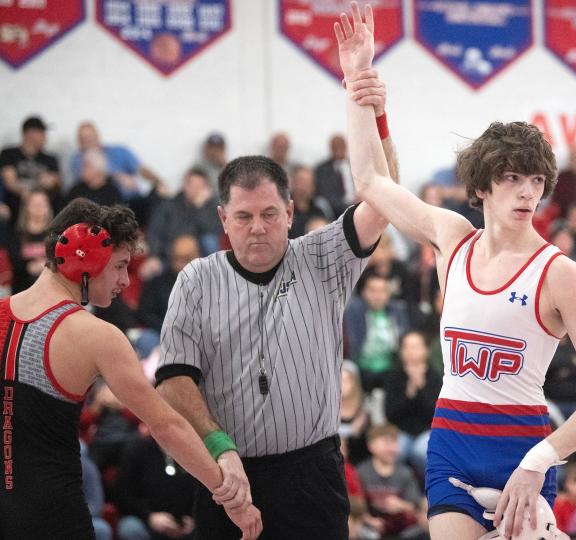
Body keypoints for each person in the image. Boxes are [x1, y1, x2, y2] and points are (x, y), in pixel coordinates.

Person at [337, 4, 576, 537]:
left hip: (523, 452)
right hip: (451, 443)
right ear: (482, 186)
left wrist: (542, 459)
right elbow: (370, 183)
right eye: (513, 177)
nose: (527, 192)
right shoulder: (451, 238)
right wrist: (361, 88)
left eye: (537, 181)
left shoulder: (559, 273)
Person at [155, 94, 399, 537]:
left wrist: (373, 111)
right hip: (227, 476)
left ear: (289, 212)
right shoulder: (195, 280)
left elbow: (386, 200)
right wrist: (217, 446)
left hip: (313, 474)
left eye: (270, 214)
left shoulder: (324, 255)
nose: (258, 227)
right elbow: (173, 382)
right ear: (223, 219)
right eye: (243, 216)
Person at [0, 198, 260, 539]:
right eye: (120, 265)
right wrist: (228, 496)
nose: (125, 280)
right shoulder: (97, 335)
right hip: (54, 517)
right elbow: (166, 425)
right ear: (85, 258)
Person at [383, 330, 442, 474]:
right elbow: (390, 414)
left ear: (425, 350)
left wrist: (420, 388)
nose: (410, 351)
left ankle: (426, 492)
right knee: (394, 451)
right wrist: (409, 394)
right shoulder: (394, 376)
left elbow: (435, 414)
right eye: (406, 347)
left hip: (428, 431)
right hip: (401, 431)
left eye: (415, 346)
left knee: (421, 451)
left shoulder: (435, 377)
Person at [357, 424, 429, 539]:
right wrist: (370, 520)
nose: (392, 448)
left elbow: (415, 506)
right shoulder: (361, 472)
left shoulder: (405, 472)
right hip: (373, 528)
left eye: (395, 443)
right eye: (386, 443)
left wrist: (401, 505)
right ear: (371, 446)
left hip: (403, 529)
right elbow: (357, 506)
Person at [68, 121, 166, 199]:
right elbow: (90, 177)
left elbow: (141, 169)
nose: (88, 142)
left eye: (90, 137)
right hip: (106, 202)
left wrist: (159, 182)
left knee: (158, 197)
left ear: (98, 136)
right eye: (83, 139)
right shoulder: (79, 158)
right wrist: (118, 176)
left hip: (133, 198)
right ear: (79, 142)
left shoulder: (119, 151)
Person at [0, 115, 62, 222]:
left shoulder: (50, 159)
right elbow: (10, 181)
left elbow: (56, 181)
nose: (45, 137)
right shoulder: (9, 153)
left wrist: (50, 181)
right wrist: (26, 191)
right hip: (17, 203)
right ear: (30, 134)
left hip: (43, 203)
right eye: (42, 133)